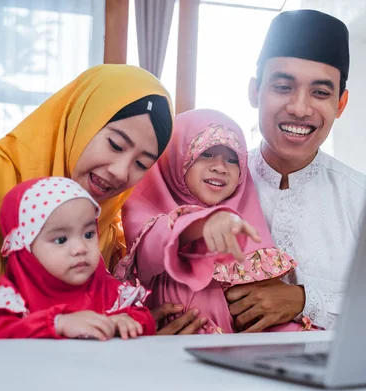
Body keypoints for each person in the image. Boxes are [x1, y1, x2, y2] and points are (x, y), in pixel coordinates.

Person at [0, 64, 204, 340]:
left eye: (141, 164)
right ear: (80, 121)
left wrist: (134, 335)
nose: (120, 172)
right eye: (115, 145)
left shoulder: (104, 226)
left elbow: (102, 315)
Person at [224, 9, 366, 331]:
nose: (300, 108)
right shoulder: (212, 182)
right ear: (254, 91)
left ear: (340, 104)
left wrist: (303, 300)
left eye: (320, 93)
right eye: (282, 86)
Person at [119, 109, 313, 333]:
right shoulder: (148, 212)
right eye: (206, 154)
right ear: (176, 156)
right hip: (167, 358)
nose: (220, 167)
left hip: (228, 359)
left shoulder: (241, 231)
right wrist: (202, 224)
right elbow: (153, 244)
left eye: (232, 160)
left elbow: (257, 317)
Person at [0, 177, 155, 340]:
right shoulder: (15, 299)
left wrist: (123, 321)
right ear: (25, 249)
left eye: (88, 234)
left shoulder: (105, 288)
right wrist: (58, 323)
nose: (80, 249)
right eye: (61, 239)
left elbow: (145, 318)